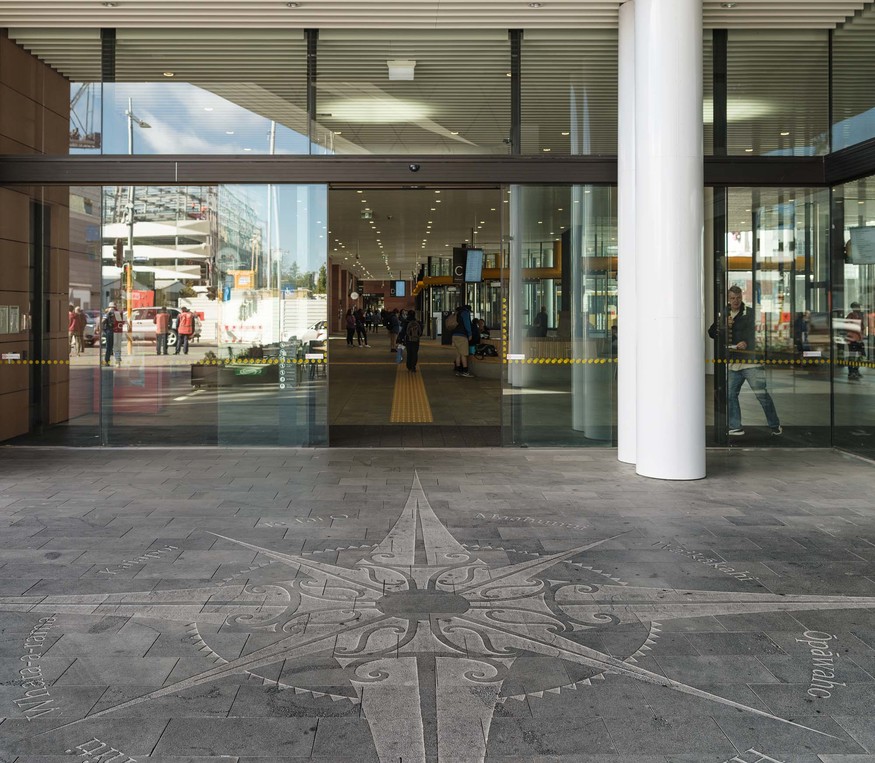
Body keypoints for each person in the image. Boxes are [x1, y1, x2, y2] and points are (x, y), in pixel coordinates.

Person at [708, 285, 781, 436]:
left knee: (761, 395)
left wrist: (746, 342)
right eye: (733, 298)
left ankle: (775, 425)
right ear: (728, 299)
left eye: (738, 298)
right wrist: (721, 326)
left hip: (750, 362)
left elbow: (754, 333)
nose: (736, 301)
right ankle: (736, 426)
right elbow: (712, 332)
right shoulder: (724, 313)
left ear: (742, 297)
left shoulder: (749, 313)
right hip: (734, 363)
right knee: (730, 394)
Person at [452, 304, 474, 378]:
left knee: (458, 354)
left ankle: (458, 371)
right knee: (464, 354)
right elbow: (467, 324)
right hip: (462, 336)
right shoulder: (465, 313)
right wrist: (470, 334)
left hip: (454, 335)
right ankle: (465, 371)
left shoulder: (457, 313)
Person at [846, 302, 866, 380]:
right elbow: (847, 327)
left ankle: (855, 370)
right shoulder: (850, 316)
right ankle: (851, 372)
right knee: (852, 356)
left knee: (862, 356)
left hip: (859, 338)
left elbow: (862, 327)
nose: (859, 308)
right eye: (857, 307)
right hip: (852, 339)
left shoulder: (860, 316)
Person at [102, 302, 123, 367]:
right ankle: (117, 362)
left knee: (109, 348)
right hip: (118, 332)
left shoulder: (107, 313)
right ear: (115, 307)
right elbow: (122, 322)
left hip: (110, 332)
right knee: (117, 347)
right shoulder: (119, 313)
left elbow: (102, 321)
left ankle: (107, 362)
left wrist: (104, 330)